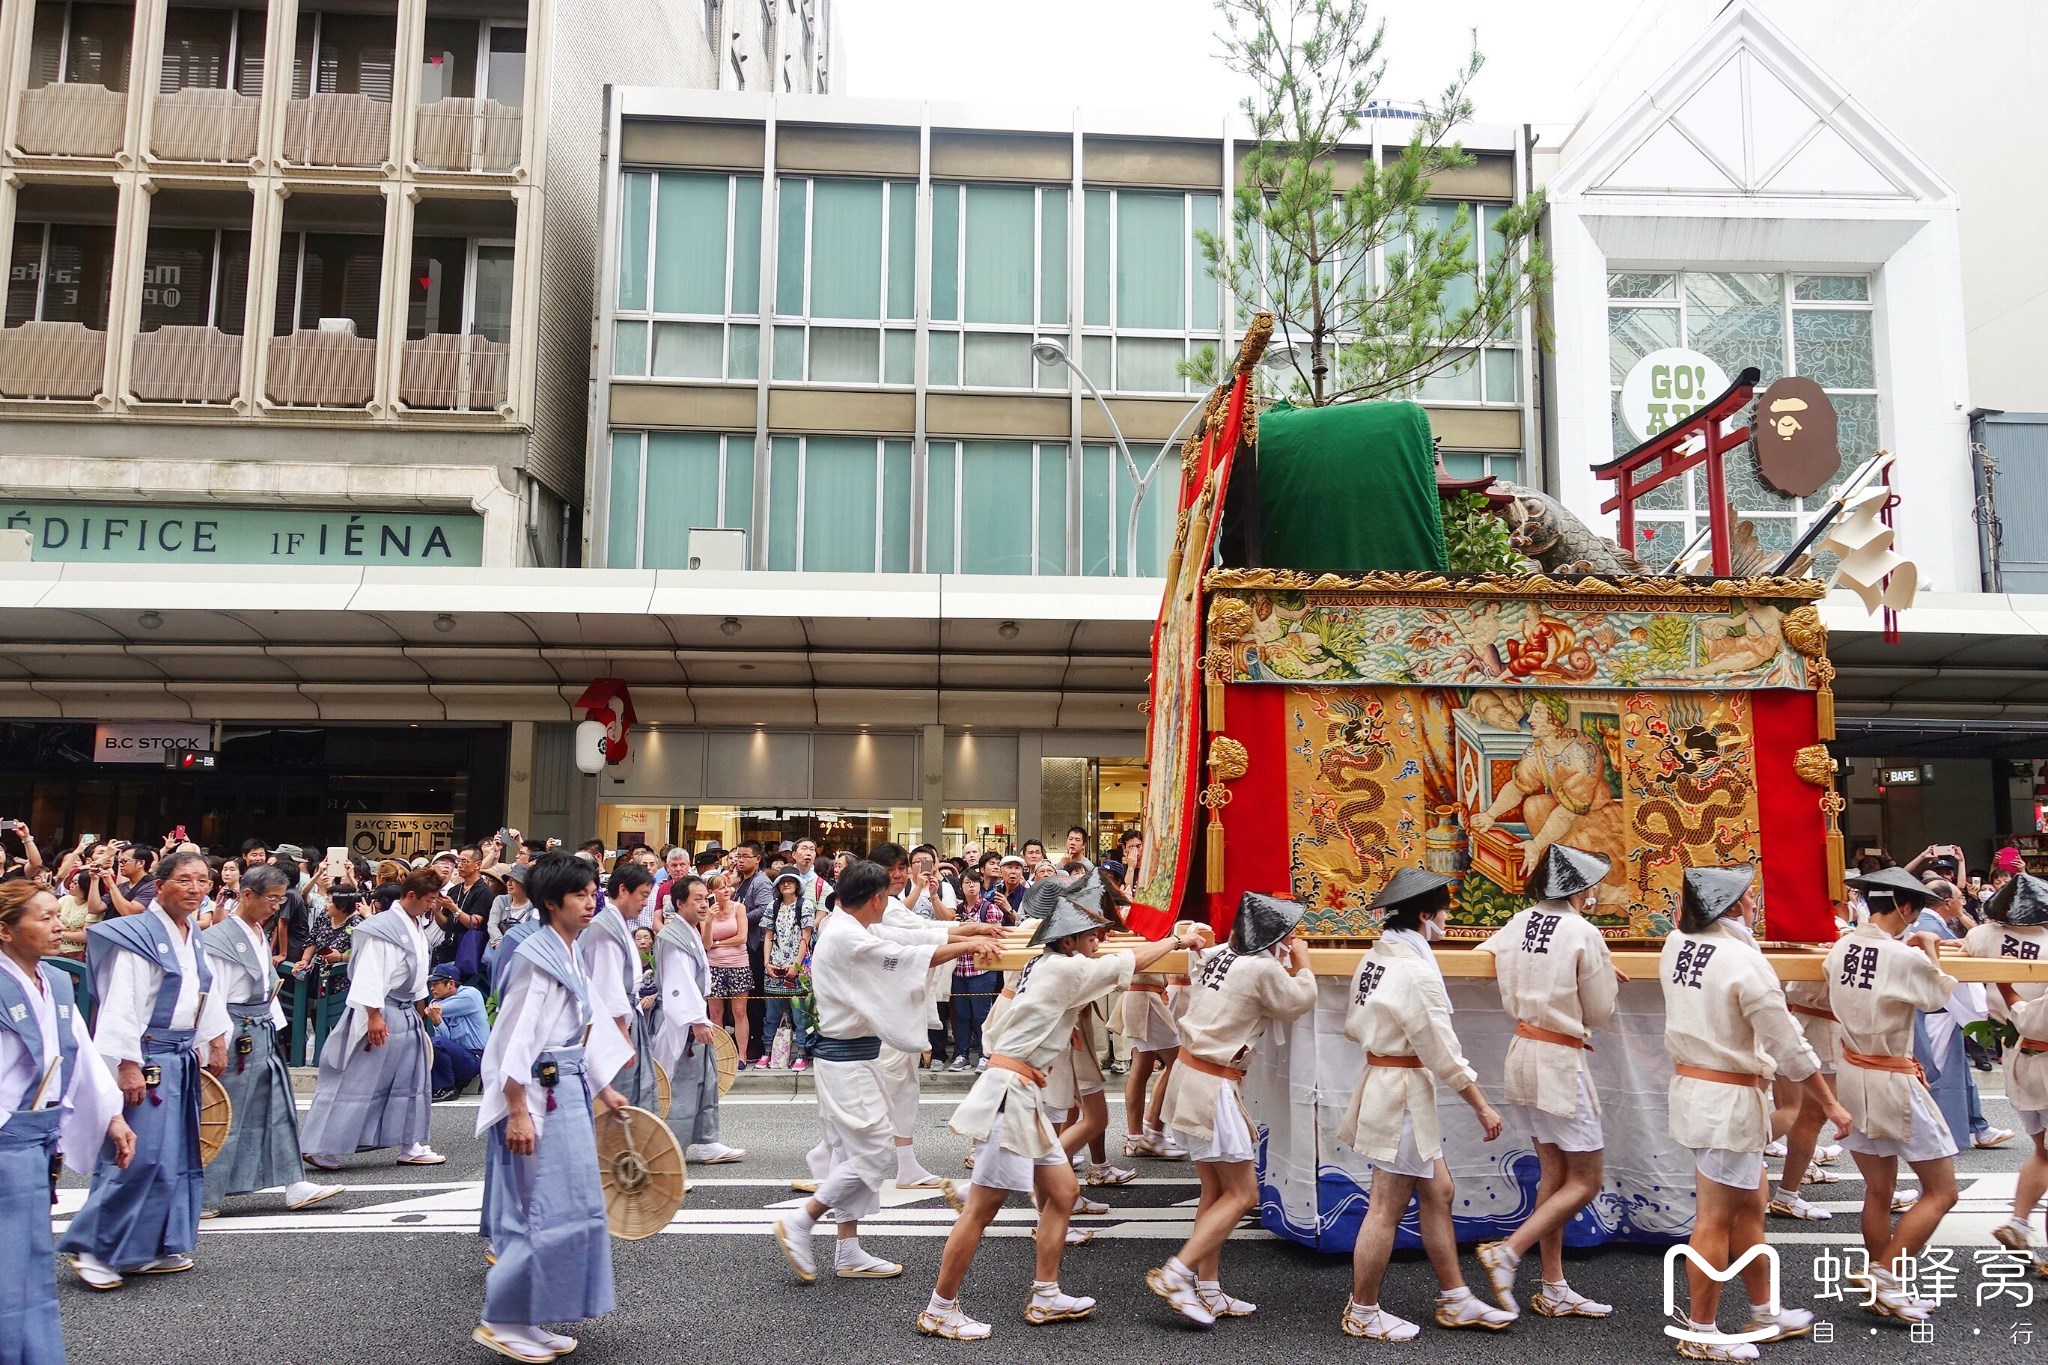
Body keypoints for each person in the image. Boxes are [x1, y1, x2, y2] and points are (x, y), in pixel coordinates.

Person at [924, 883, 1196, 1339]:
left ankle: (1046, 1294)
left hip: (1020, 1089)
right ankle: (939, 1308)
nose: (1100, 940)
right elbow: (1129, 962)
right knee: (979, 1211)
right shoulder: (1068, 968)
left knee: (1065, 1192)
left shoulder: (1042, 963)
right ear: (1068, 940)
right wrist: (1178, 941)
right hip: (1011, 1095)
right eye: (1092, 934)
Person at [773, 860, 1000, 1286]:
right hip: (846, 1061)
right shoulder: (848, 936)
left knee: (850, 1153)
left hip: (852, 1056)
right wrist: (967, 943)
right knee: (874, 1153)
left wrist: (966, 933)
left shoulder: (851, 925)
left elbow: (908, 935)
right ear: (876, 898)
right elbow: (905, 954)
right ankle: (802, 1220)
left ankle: (848, 1249)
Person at [1662, 866, 1849, 1359]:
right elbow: (1787, 1041)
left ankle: (1764, 1312)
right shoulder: (1742, 960)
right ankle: (1700, 1333)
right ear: (1734, 908)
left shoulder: (1676, 946)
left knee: (1748, 1209)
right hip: (1728, 1100)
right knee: (1717, 1218)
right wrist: (1828, 1100)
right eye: (1749, 900)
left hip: (1701, 1092)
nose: (1755, 906)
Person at [1338, 869, 1513, 1340]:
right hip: (1402, 1095)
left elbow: (1355, 1023)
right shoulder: (1415, 970)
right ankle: (1362, 1310)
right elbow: (1442, 1050)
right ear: (1424, 914)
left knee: (1438, 1193)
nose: (1446, 918)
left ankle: (1456, 1298)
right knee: (1385, 1207)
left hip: (1388, 1080)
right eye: (1443, 910)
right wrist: (1481, 1104)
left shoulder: (1376, 956)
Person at [473, 852, 634, 1363]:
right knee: (535, 1211)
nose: (591, 903)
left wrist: (603, 1088)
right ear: (550, 902)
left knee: (564, 1207)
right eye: (580, 895)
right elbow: (514, 1040)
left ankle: (528, 1317)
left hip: (563, 1090)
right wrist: (516, 1108)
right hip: (539, 1095)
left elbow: (579, 1032)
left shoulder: (565, 949)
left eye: (594, 893)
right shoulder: (539, 958)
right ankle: (502, 1320)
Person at [1146, 891, 1319, 1327]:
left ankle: (1208, 1287)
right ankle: (1177, 1272)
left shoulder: (1222, 954)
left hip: (1190, 1074)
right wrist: (1303, 962)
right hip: (1213, 1084)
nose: (1292, 937)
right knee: (1243, 1194)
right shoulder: (1262, 968)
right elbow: (1297, 1001)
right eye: (1287, 932)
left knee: (1215, 1191)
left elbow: (1199, 947)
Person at [59, 849, 230, 1289]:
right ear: (160, 883)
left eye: (203, 882)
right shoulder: (137, 935)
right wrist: (128, 1065)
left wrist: (214, 1039)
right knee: (137, 1154)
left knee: (173, 1155)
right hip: (148, 1055)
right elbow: (122, 1003)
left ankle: (145, 1245)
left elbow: (201, 991)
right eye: (185, 880)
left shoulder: (191, 931)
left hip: (179, 1056)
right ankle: (92, 1246)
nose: (195, 889)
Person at [1475, 845, 1621, 1320]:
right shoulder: (1583, 931)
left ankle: (1553, 1285)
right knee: (1587, 1178)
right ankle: (1509, 1251)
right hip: (1559, 1059)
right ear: (1581, 888)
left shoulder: (1518, 923)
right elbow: (1600, 1011)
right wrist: (1600, 972)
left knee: (1554, 1174)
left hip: (1522, 1053)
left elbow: (1485, 955)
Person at [0, 881, 131, 1356]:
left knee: (29, 1263)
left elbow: (79, 1054)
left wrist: (111, 1115)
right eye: (44, 918)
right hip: (6, 1139)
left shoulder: (55, 981)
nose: (59, 927)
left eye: (59, 915)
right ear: (5, 931)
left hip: (35, 1140)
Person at [1830, 867, 1965, 1324]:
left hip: (1852, 1073)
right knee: (1942, 1191)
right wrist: (1930, 952)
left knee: (1878, 1189)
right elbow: (1936, 997)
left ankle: (1886, 1288)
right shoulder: (1900, 955)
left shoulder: (1843, 944)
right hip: (1890, 1077)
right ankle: (1885, 1273)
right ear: (1906, 908)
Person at [199, 864, 344, 1218]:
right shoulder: (218, 938)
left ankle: (294, 1183)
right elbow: (210, 996)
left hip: (260, 1026)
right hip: (233, 1032)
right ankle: (206, 1194)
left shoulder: (257, 932)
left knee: (279, 1109)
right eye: (272, 898)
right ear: (247, 894)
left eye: (281, 899)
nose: (277, 906)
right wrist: (214, 1043)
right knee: (224, 1114)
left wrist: (275, 1026)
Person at [300, 869, 444, 1171]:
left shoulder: (415, 924)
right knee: (355, 1079)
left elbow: (418, 972)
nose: (432, 905)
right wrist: (374, 1016)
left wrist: (420, 1008)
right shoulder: (384, 927)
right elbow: (370, 973)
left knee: (411, 1080)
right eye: (429, 899)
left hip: (405, 1010)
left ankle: (411, 1142)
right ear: (411, 896)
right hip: (381, 1009)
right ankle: (321, 1144)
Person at [1976, 873, 2048, 1264]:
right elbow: (2034, 1018)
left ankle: (2019, 1223)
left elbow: (1967, 946)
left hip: (2018, 1058)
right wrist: (2007, 988)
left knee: (2043, 1152)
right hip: (2041, 1047)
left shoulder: (1986, 936)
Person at [655, 873, 744, 1163]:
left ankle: (707, 1140)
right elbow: (678, 984)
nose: (704, 905)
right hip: (683, 1019)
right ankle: (673, 1149)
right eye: (697, 900)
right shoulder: (674, 936)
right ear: (679, 904)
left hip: (696, 1014)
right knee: (682, 1082)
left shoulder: (690, 930)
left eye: (705, 899)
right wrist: (696, 1020)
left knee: (706, 1080)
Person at [581, 863, 661, 1110]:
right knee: (622, 1092)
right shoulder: (606, 929)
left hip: (623, 1015)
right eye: (643, 896)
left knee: (630, 1091)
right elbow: (609, 990)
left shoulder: (614, 924)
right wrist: (623, 1039)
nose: (645, 903)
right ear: (623, 890)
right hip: (613, 1023)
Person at [761, 871, 815, 1069]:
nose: (786, 885)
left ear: (798, 884)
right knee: (771, 1015)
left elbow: (805, 936)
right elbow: (768, 936)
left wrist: (797, 965)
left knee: (801, 1015)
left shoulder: (805, 905)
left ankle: (802, 1052)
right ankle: (768, 1051)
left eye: (790, 881)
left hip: (797, 968)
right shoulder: (772, 906)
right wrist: (766, 963)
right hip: (775, 966)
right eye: (782, 882)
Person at [702, 873, 753, 1069]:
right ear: (711, 892)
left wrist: (718, 943)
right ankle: (719, 1055)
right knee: (715, 1012)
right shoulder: (707, 911)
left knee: (739, 1011)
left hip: (738, 963)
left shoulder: (739, 908)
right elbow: (705, 944)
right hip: (714, 965)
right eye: (720, 887)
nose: (726, 890)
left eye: (727, 886)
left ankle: (741, 1055)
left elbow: (742, 937)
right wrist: (708, 921)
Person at [430, 964, 490, 1100]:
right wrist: (437, 1021)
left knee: (436, 1042)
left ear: (451, 984)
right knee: (433, 1043)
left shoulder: (470, 995)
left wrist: (435, 1012)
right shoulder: (437, 1003)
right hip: (458, 1057)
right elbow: (446, 1040)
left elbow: (436, 1008)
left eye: (436, 984)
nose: (432, 988)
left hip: (475, 1058)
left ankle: (446, 1088)